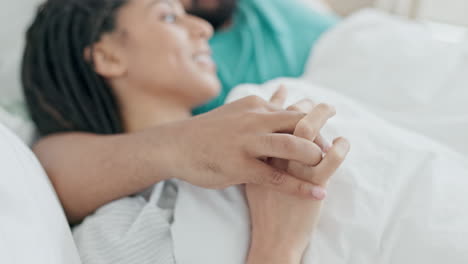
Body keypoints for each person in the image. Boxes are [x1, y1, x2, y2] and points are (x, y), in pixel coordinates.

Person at [22, 0, 349, 262]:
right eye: (167, 17)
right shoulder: (119, 234)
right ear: (107, 55)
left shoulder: (254, 102)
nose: (203, 28)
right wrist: (279, 247)